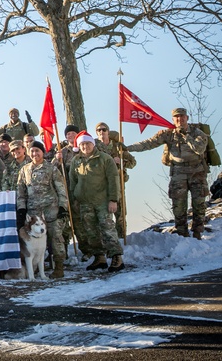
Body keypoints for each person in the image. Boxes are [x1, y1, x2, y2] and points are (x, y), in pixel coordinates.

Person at [125, 107, 210, 239]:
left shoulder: (197, 133)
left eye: (182, 117)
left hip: (196, 172)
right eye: (176, 117)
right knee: (178, 204)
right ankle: (181, 231)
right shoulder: (169, 134)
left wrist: (186, 135)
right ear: (173, 120)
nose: (179, 119)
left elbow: (199, 149)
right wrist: (128, 148)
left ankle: (198, 231)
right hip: (178, 172)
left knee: (198, 203)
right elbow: (149, 143)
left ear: (186, 118)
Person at [69, 133, 124, 271]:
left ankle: (117, 257)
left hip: (102, 202)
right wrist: (75, 198)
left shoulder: (105, 159)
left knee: (107, 229)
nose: (85, 147)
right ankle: (99, 257)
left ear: (93, 144)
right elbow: (73, 181)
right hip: (85, 203)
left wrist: (113, 200)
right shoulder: (76, 161)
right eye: (82, 144)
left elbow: (113, 180)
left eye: (87, 144)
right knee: (91, 232)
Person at [16, 140, 70, 278]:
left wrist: (63, 207)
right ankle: (37, 267)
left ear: (43, 153)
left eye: (37, 151)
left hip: (51, 210)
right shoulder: (24, 170)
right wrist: (21, 210)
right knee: (34, 241)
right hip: (33, 213)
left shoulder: (51, 168)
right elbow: (21, 192)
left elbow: (61, 188)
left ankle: (58, 266)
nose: (35, 154)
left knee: (55, 237)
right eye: (32, 151)